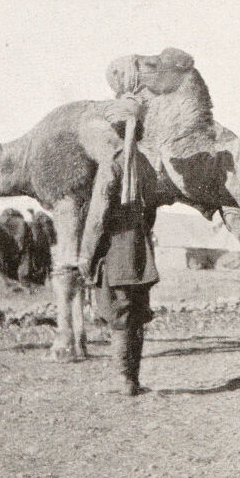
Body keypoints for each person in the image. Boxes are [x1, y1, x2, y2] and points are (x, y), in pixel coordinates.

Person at [78, 142, 158, 398]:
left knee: (119, 315)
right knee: (136, 315)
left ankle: (125, 381)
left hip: (115, 250)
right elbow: (152, 207)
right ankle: (133, 379)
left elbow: (98, 216)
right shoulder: (143, 162)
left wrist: (86, 256)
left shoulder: (111, 164)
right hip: (140, 250)